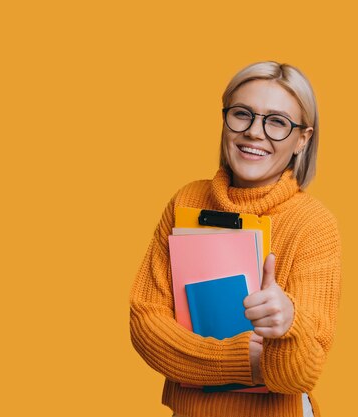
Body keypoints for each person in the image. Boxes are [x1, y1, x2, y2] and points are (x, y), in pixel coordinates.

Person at [129, 61, 341, 417]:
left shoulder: (313, 224)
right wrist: (248, 361)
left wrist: (289, 325)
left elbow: (300, 374)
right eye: (243, 114)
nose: (255, 133)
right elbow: (146, 324)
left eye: (277, 122)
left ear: (302, 139)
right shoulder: (186, 201)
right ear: (225, 119)